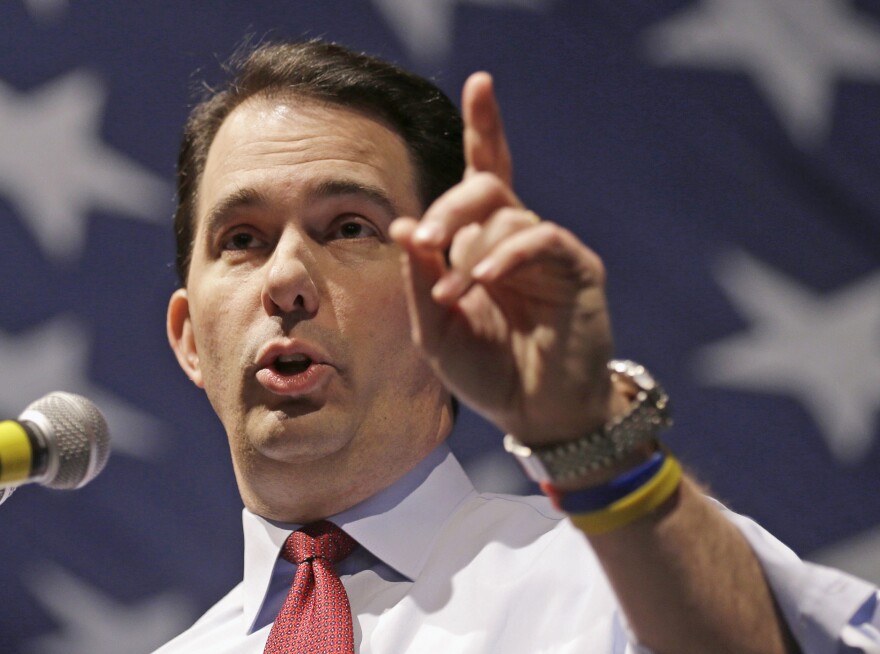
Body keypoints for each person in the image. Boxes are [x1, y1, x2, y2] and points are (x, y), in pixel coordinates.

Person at [158, 39, 879, 653]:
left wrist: (587, 431)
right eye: (243, 240)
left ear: (447, 286)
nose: (286, 279)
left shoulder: (631, 573)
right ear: (190, 339)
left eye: (349, 227)